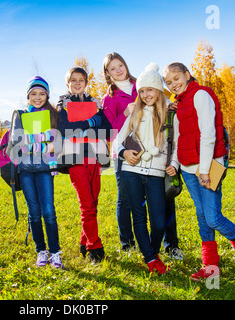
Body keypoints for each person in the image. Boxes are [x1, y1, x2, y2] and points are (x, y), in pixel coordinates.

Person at [162, 62, 235, 280]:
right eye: (169, 82)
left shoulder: (200, 95)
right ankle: (210, 266)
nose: (174, 84)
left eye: (177, 78)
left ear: (187, 75)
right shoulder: (180, 104)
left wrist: (205, 171)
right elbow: (179, 140)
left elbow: (208, 134)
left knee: (214, 217)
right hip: (189, 169)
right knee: (202, 217)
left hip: (210, 166)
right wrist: (177, 164)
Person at [113, 63, 179, 275]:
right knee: (139, 217)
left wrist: (174, 165)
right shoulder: (135, 114)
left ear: (158, 89)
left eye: (149, 89)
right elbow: (116, 143)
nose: (145, 94)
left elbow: (176, 144)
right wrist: (124, 153)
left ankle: (153, 251)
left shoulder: (170, 114)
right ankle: (151, 259)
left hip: (157, 175)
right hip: (131, 172)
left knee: (159, 222)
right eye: (141, 91)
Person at [56, 67, 112, 263]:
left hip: (95, 157)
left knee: (93, 204)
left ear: (86, 83)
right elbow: (63, 130)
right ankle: (95, 247)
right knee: (86, 205)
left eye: (81, 80)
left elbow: (107, 129)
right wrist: (89, 123)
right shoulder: (62, 105)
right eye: (73, 80)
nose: (77, 83)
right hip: (74, 159)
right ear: (68, 83)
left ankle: (83, 242)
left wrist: (81, 126)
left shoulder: (96, 103)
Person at [7, 76, 63, 269]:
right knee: (34, 212)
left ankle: (55, 252)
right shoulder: (20, 115)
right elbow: (17, 139)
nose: (38, 98)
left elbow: (58, 141)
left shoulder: (53, 115)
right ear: (28, 96)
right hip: (26, 170)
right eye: (33, 94)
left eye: (42, 94)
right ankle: (41, 250)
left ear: (47, 96)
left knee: (49, 211)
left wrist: (34, 140)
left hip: (45, 169)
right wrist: (45, 138)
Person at [102, 52, 138, 251]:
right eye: (113, 68)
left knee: (143, 199)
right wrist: (125, 113)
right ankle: (127, 243)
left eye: (120, 65)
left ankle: (145, 239)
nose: (118, 70)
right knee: (125, 199)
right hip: (121, 152)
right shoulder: (109, 98)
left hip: (146, 149)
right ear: (108, 74)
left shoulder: (140, 85)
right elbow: (109, 133)